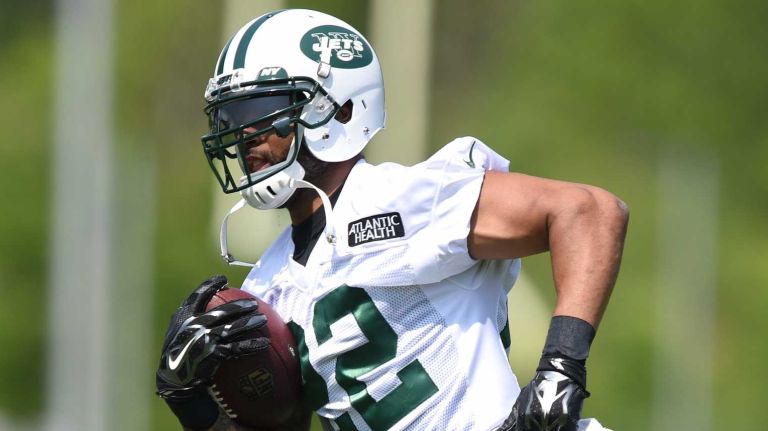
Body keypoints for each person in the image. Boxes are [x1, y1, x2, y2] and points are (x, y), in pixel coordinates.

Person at [155, 8, 629, 431]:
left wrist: (560, 368)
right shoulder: (267, 287)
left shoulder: (404, 198)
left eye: (259, 112)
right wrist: (193, 404)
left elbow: (587, 211)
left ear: (336, 109)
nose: (242, 137)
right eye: (228, 120)